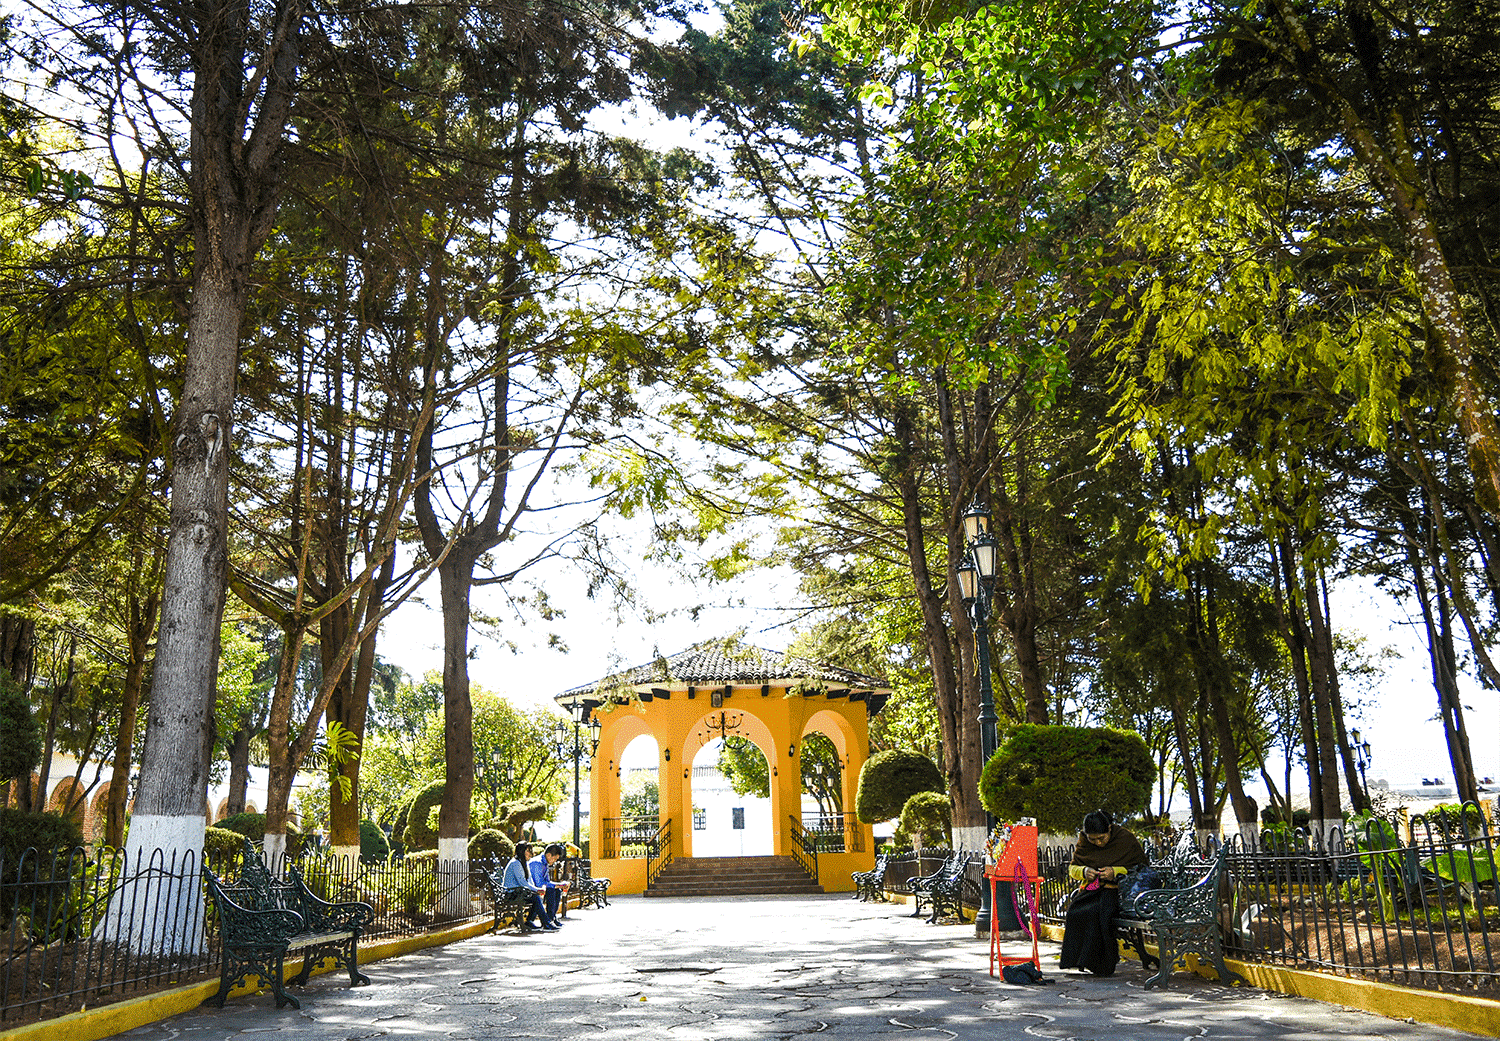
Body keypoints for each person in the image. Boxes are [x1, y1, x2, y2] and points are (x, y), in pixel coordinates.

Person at [1058, 809, 1147, 976]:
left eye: (1101, 838)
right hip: (1092, 889)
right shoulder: (1084, 842)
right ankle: (1080, 960)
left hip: (1117, 892)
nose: (1098, 843)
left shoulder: (1125, 838)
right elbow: (1072, 867)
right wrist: (1084, 871)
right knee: (1075, 911)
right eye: (1093, 839)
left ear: (1110, 830)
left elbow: (1140, 868)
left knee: (1098, 912)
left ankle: (1103, 964)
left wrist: (1115, 871)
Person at [503, 842, 560, 931]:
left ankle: (536, 921)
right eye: (528, 851)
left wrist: (538, 890)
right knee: (535, 897)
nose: (531, 854)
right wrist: (536, 890)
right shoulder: (515, 863)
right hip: (511, 893)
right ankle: (546, 922)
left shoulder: (524, 863)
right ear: (522, 851)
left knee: (536, 896)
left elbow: (529, 880)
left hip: (520, 892)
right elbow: (522, 882)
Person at [528, 842, 571, 922]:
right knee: (551, 890)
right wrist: (559, 885)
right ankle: (548, 920)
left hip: (538, 888)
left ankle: (552, 918)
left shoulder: (545, 863)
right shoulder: (537, 863)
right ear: (548, 855)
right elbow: (539, 884)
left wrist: (559, 886)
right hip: (530, 889)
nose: (554, 861)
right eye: (554, 859)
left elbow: (547, 881)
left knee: (557, 890)